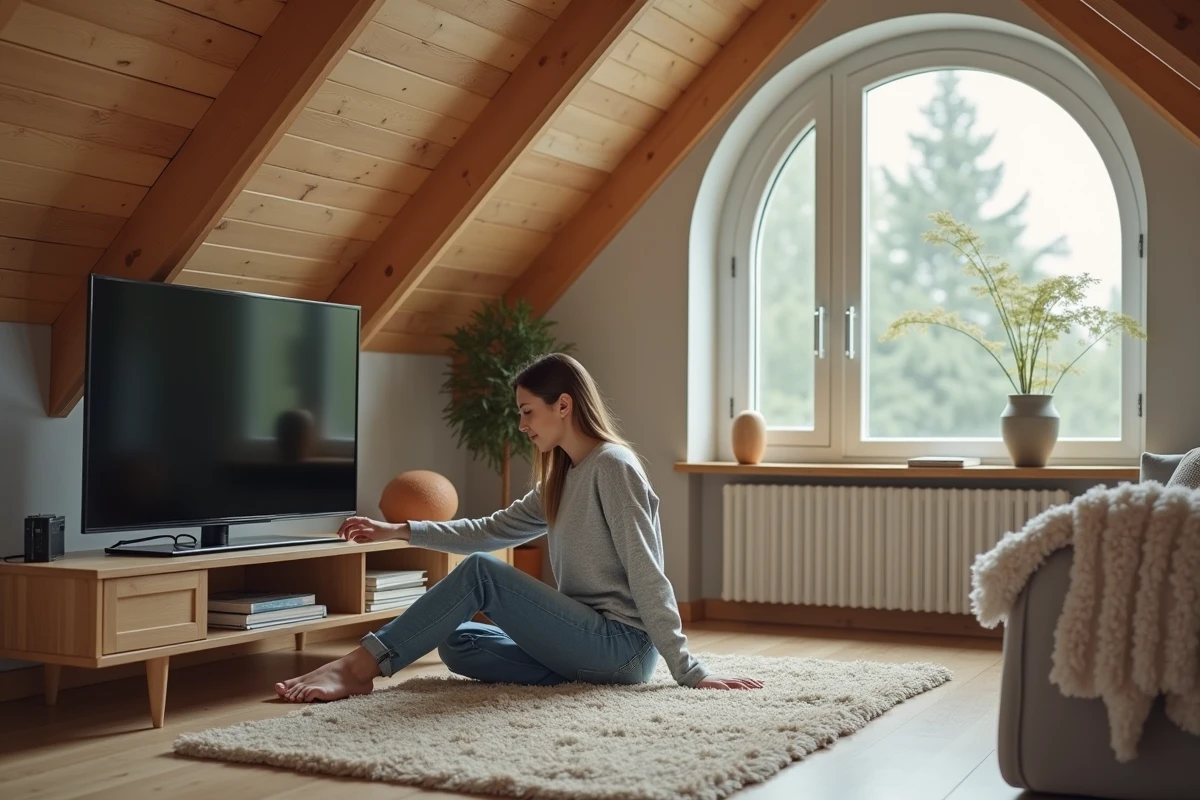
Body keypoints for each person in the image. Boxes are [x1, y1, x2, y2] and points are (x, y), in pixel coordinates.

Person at [275, 353, 762, 702]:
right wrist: (399, 530)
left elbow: (647, 571)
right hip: (585, 641)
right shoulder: (563, 476)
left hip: (623, 647)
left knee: (481, 572)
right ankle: (577, 676)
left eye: (528, 412)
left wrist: (689, 669)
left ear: (563, 405)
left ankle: (359, 666)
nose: (523, 425)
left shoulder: (613, 467)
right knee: (456, 640)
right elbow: (488, 530)